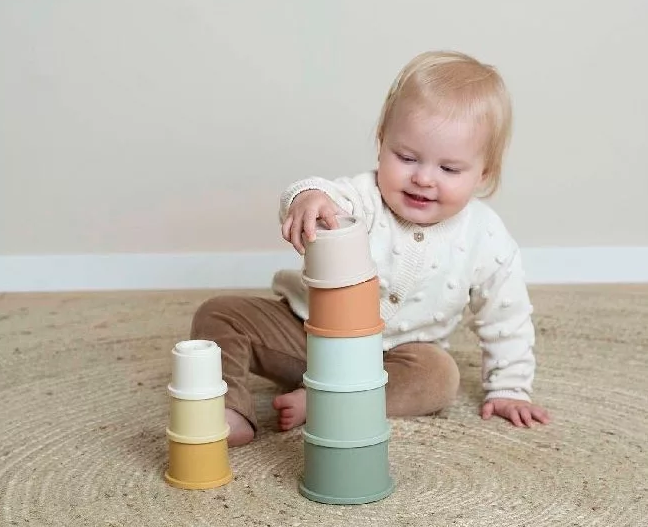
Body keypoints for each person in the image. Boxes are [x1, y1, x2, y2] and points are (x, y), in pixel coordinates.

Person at [191, 50, 551, 446]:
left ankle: (330, 402)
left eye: (448, 169)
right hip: (310, 336)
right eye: (406, 157)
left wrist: (510, 388)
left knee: (439, 376)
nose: (423, 178)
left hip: (395, 361)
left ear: (484, 173)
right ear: (381, 143)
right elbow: (323, 192)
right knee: (219, 314)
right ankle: (229, 410)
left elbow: (507, 317)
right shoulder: (364, 198)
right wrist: (308, 199)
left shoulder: (486, 236)